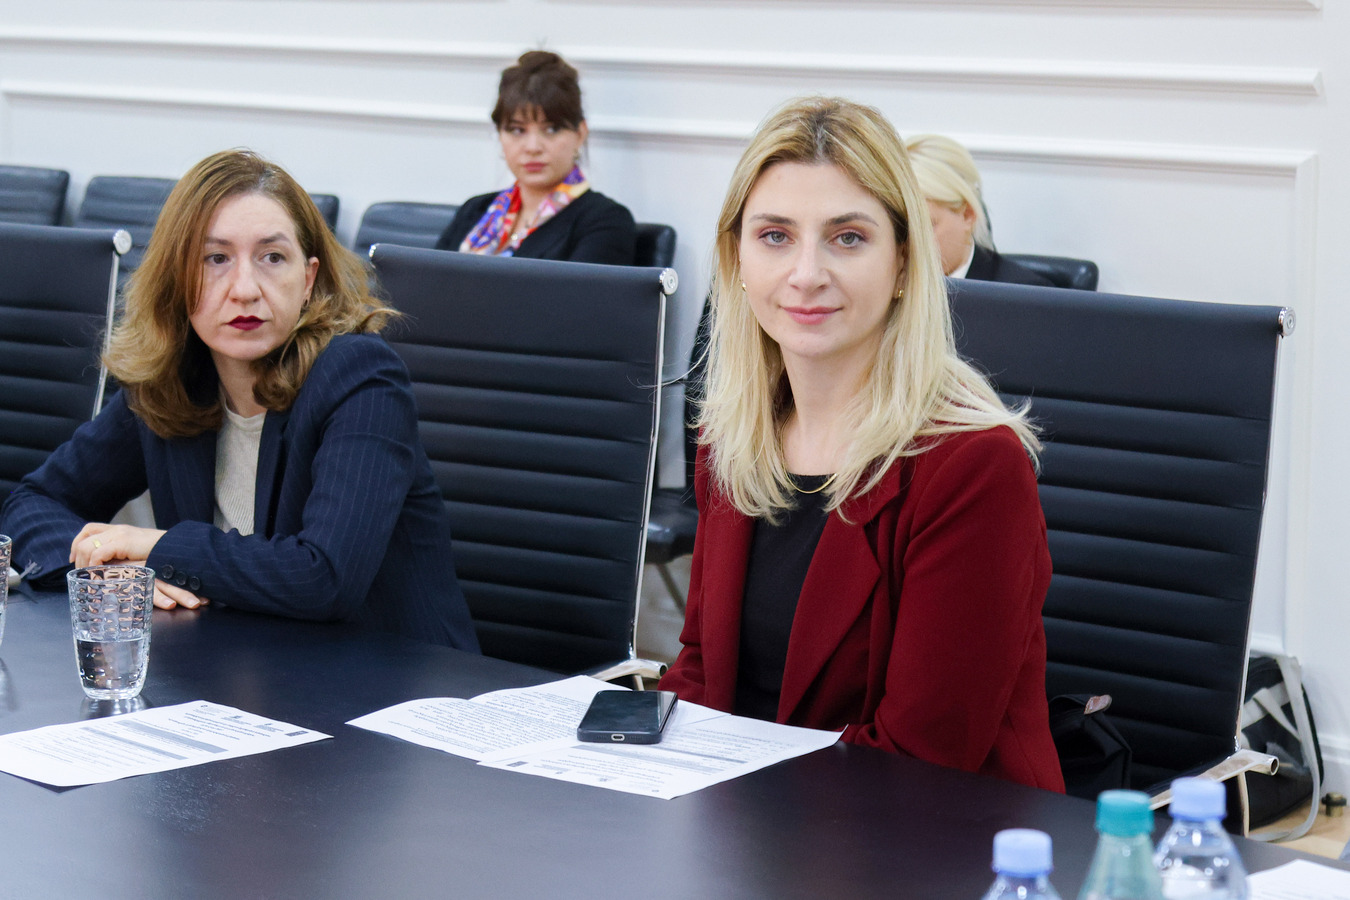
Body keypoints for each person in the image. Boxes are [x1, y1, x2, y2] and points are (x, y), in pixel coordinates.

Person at [658, 97, 1064, 791]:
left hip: (933, 833)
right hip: (754, 820)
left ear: (904, 263)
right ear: (737, 258)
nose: (806, 273)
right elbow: (702, 667)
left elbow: (917, 759)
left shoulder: (974, 466)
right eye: (775, 236)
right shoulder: (730, 440)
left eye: (847, 238)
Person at [0, 149, 479, 651]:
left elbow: (324, 577)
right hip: (243, 670)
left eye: (273, 258)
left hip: (395, 679)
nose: (245, 289)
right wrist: (106, 576)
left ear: (309, 279)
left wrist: (158, 548)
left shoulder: (360, 376)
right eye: (216, 259)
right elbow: (32, 504)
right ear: (176, 279)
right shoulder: (171, 381)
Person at [435, 50, 636, 265]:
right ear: (500, 135)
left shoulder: (604, 221)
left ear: (580, 134)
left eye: (551, 129)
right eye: (517, 130)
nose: (533, 147)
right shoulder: (476, 209)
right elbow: (428, 279)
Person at [905, 133, 1053, 286]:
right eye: (901, 228)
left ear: (967, 215)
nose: (909, 243)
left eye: (925, 227)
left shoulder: (1024, 293)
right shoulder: (894, 285)